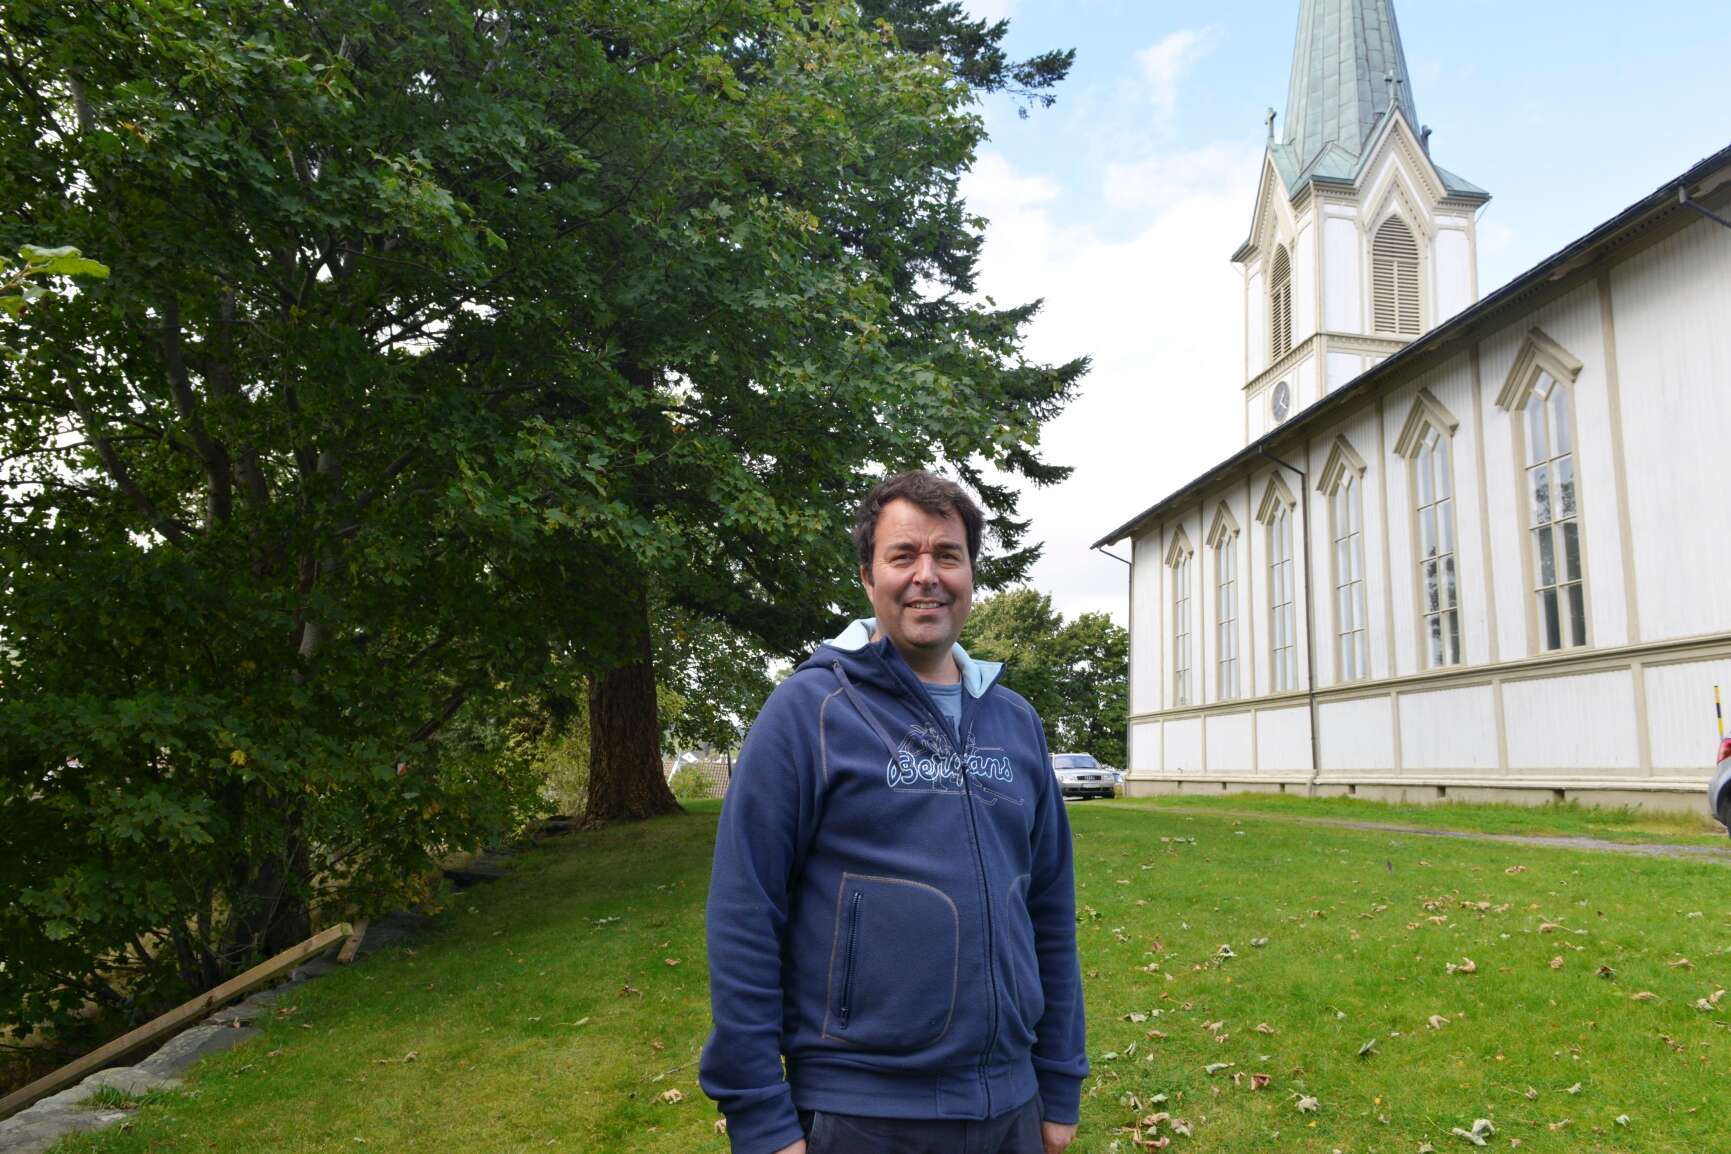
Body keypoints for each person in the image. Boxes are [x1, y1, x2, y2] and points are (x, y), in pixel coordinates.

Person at [700, 470, 1088, 1154]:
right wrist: (760, 1116)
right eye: (902, 555)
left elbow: (1049, 910)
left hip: (1011, 1105)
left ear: (970, 575)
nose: (926, 576)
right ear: (867, 577)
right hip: (863, 1112)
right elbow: (745, 912)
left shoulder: (1015, 721)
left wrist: (1058, 1081)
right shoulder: (809, 712)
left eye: (947, 555)